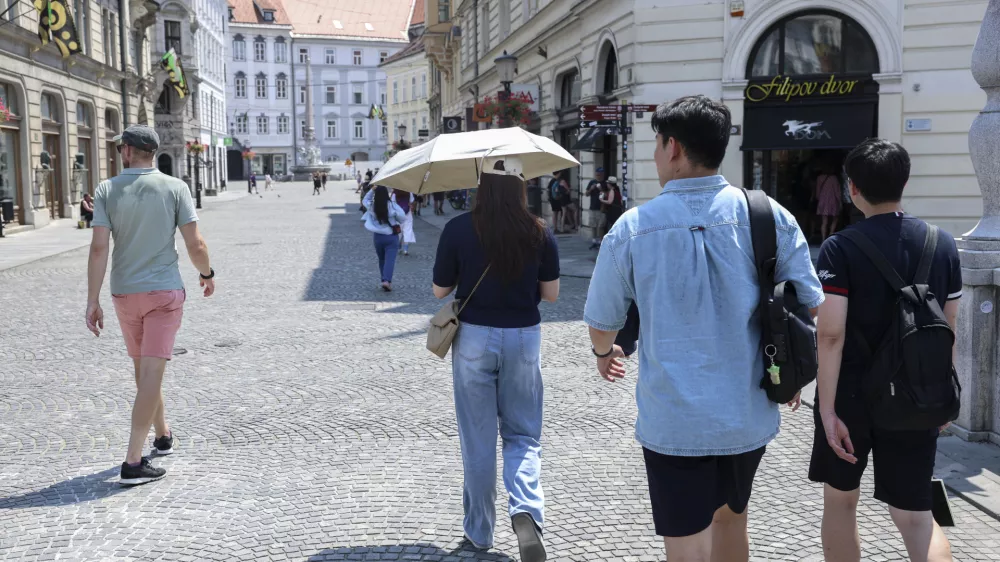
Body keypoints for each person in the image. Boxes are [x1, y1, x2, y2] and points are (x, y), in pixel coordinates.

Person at [583, 96, 823, 562]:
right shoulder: (768, 214)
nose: (655, 154)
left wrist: (602, 354)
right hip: (746, 411)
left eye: (656, 144)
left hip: (674, 419)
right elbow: (812, 306)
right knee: (733, 519)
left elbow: (600, 325)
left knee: (686, 541)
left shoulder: (633, 228)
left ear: (672, 147)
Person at [810, 139, 961, 562]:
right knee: (917, 517)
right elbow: (947, 328)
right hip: (916, 395)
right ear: (905, 182)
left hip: (851, 398)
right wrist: (940, 397)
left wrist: (825, 410)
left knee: (841, 503)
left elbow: (831, 335)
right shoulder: (942, 243)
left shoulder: (840, 247)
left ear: (851, 188)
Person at [432, 155, 559, 562]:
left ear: (481, 186)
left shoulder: (457, 229)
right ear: (522, 187)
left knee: (479, 439)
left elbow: (440, 291)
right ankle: (525, 510)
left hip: (473, 338)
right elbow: (552, 294)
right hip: (523, 337)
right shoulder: (540, 231)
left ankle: (480, 533)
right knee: (523, 435)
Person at [85, 125, 216, 486]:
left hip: (124, 293)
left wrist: (92, 300)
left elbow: (99, 249)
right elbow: (196, 244)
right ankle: (132, 461)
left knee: (145, 370)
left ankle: (162, 434)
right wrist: (206, 273)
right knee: (151, 373)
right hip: (162, 293)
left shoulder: (107, 190)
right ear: (152, 152)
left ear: (127, 151)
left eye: (118, 149)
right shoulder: (175, 188)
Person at [362, 185, 405, 291]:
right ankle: (387, 280)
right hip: (391, 236)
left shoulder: (372, 206)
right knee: (390, 260)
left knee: (382, 259)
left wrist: (372, 190)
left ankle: (383, 280)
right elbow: (402, 217)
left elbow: (365, 200)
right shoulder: (392, 205)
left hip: (378, 237)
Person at [815, 166, 842, 241]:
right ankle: (830, 235)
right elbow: (837, 192)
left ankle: (823, 238)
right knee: (835, 219)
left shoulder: (819, 178)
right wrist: (840, 202)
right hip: (832, 201)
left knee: (824, 221)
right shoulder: (834, 178)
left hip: (823, 201)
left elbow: (817, 192)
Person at [585, 167, 606, 249]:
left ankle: (601, 242)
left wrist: (601, 189)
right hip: (593, 207)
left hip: (602, 208)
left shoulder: (605, 183)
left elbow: (607, 194)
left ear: (603, 174)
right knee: (593, 225)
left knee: (601, 226)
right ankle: (594, 241)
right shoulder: (592, 182)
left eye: (600, 175)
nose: (598, 176)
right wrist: (591, 189)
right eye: (597, 174)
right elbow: (586, 194)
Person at [392, 189, 416, 255]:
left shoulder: (395, 192)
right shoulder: (409, 192)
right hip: (408, 214)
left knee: (399, 232)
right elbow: (412, 202)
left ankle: (398, 246)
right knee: (408, 231)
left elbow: (392, 203)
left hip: (398, 214)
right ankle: (405, 249)